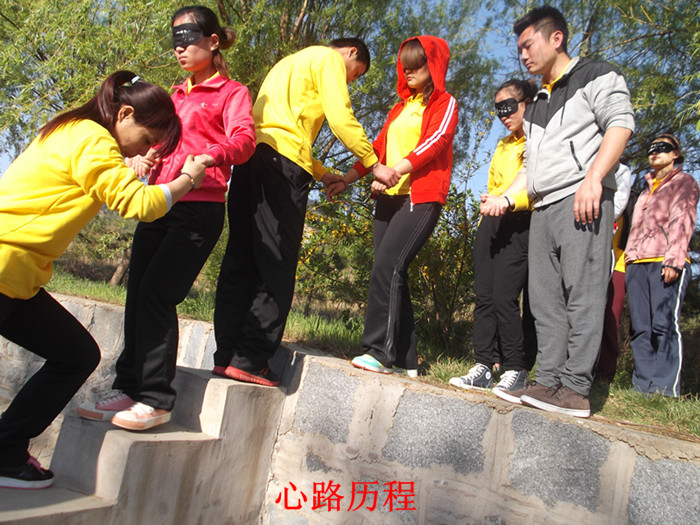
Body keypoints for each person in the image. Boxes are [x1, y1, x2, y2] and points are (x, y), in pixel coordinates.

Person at [0, 70, 206, 489]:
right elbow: (139, 205)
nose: (145, 149)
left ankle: (6, 449)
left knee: (75, 354)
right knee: (74, 355)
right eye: (147, 139)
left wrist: (127, 165)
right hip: (6, 267)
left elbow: (96, 180)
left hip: (16, 277)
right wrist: (188, 179)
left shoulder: (71, 129)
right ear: (124, 114)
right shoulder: (92, 139)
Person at [77, 6, 256, 431]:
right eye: (175, 39)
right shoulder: (173, 96)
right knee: (137, 292)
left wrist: (211, 155)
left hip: (199, 208)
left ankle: (156, 399)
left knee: (157, 294)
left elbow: (245, 140)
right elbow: (163, 143)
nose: (180, 47)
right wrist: (145, 157)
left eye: (189, 37)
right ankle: (127, 386)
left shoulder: (232, 93)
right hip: (159, 201)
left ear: (213, 41)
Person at [212, 38, 400, 387]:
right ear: (351, 53)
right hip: (281, 170)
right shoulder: (329, 60)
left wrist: (322, 173)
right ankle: (252, 358)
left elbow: (282, 130)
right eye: (355, 74)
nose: (350, 80)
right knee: (277, 262)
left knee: (241, 258)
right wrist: (374, 162)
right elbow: (340, 117)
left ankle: (226, 356)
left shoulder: (288, 63)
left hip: (251, 159)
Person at [481, 6, 635, 417]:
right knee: (544, 301)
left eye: (528, 45)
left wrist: (594, 178)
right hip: (543, 208)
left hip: (582, 198)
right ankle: (548, 380)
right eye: (519, 49)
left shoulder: (597, 74)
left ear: (556, 38)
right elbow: (530, 166)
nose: (523, 55)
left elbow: (620, 124)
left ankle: (575, 389)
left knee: (582, 294)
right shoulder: (538, 103)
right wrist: (506, 198)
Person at [327, 36, 458, 375]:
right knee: (390, 271)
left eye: (417, 64)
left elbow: (435, 141)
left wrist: (394, 172)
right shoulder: (399, 109)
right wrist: (346, 179)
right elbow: (377, 149)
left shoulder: (445, 103)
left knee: (388, 266)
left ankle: (378, 353)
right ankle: (405, 359)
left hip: (420, 197)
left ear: (434, 65)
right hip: (388, 199)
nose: (409, 71)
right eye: (405, 65)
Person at [449, 79, 535, 399]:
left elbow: (533, 186)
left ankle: (516, 368)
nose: (503, 115)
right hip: (492, 220)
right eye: (498, 109)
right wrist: (489, 203)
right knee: (484, 296)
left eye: (509, 107)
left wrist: (508, 202)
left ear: (527, 103)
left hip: (520, 220)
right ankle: (483, 366)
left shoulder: (537, 142)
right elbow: (494, 184)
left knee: (504, 296)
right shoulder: (503, 145)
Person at [624, 133, 698, 397]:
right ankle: (642, 387)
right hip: (637, 263)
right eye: (651, 148)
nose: (655, 152)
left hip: (665, 261)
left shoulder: (684, 182)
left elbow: (683, 220)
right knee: (640, 327)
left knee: (664, 325)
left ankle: (665, 389)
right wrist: (629, 258)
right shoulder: (645, 189)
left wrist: (674, 260)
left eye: (663, 148)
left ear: (676, 154)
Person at [594, 164, 633, 384]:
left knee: (610, 320)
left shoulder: (624, 181)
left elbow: (618, 210)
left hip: (618, 264)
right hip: (589, 260)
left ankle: (604, 374)